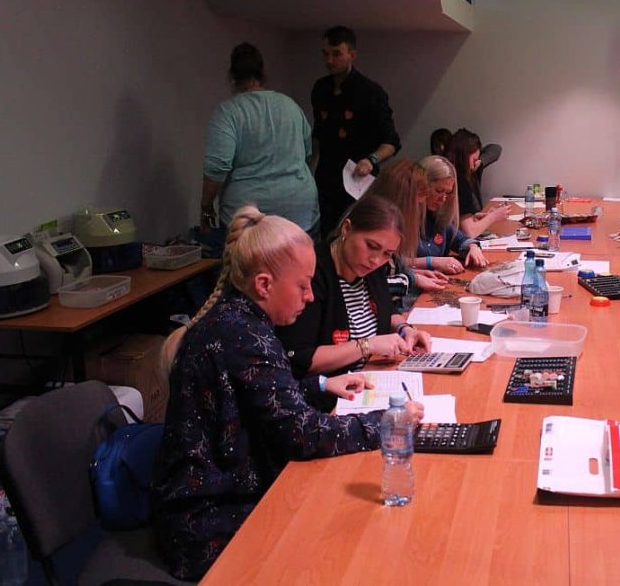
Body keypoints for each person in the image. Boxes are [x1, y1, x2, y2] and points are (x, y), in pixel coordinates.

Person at [151, 206, 423, 580]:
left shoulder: (240, 319)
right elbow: (301, 434)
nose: (310, 297)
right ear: (264, 285)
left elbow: (262, 398)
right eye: (303, 285)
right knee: (351, 539)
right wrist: (388, 422)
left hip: (224, 494)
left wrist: (321, 385)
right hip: (206, 522)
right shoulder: (245, 337)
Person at [276, 194, 431, 382]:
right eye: (371, 246)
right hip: (330, 390)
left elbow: (387, 311)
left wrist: (405, 330)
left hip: (372, 377)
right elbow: (299, 357)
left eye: (387, 254)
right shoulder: (313, 274)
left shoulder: (371, 270)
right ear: (347, 229)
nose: (376, 260)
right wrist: (367, 346)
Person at [200, 43, 318, 241]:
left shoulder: (228, 112)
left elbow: (217, 167)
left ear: (232, 76)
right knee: (301, 261)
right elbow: (308, 152)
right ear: (262, 73)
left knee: (248, 262)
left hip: (248, 217)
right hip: (299, 213)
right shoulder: (290, 106)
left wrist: (206, 207)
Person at [311, 25, 401, 238]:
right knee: (325, 236)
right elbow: (318, 136)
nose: (329, 60)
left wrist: (371, 159)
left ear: (352, 55)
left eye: (336, 54)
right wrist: (309, 169)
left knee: (355, 236)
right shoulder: (320, 89)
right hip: (326, 180)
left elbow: (391, 142)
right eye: (325, 54)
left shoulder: (370, 92)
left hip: (357, 182)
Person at [364, 158, 450, 308]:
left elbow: (393, 269)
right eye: (417, 204)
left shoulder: (390, 223)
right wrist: (413, 279)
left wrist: (413, 274)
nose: (418, 211)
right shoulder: (375, 226)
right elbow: (370, 287)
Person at [413, 155, 489, 275]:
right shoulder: (401, 218)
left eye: (447, 193)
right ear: (421, 187)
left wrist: (473, 247)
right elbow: (395, 263)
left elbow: (461, 239)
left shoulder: (437, 218)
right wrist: (431, 262)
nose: (443, 199)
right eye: (439, 191)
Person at [445, 128, 511, 237]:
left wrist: (475, 217)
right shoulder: (459, 181)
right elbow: (470, 232)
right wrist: (494, 217)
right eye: (474, 160)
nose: (473, 166)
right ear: (465, 155)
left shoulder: (450, 171)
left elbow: (455, 219)